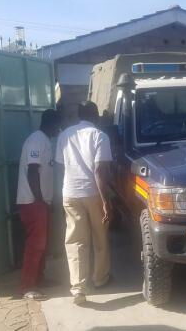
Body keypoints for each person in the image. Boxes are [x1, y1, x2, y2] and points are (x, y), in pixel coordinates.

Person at [55, 102, 113, 305]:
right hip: (93, 194)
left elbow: (61, 167)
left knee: (75, 240)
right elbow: (99, 171)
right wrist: (106, 201)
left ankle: (78, 288)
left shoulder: (65, 135)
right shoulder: (99, 136)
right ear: (96, 117)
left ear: (78, 116)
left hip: (70, 193)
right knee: (100, 237)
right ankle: (99, 279)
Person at [15, 109, 60, 300]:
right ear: (52, 124)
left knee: (42, 244)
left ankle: (39, 279)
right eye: (58, 126)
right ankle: (27, 286)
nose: (59, 130)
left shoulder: (44, 140)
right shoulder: (37, 140)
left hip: (40, 202)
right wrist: (40, 200)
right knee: (36, 244)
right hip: (33, 202)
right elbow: (33, 171)